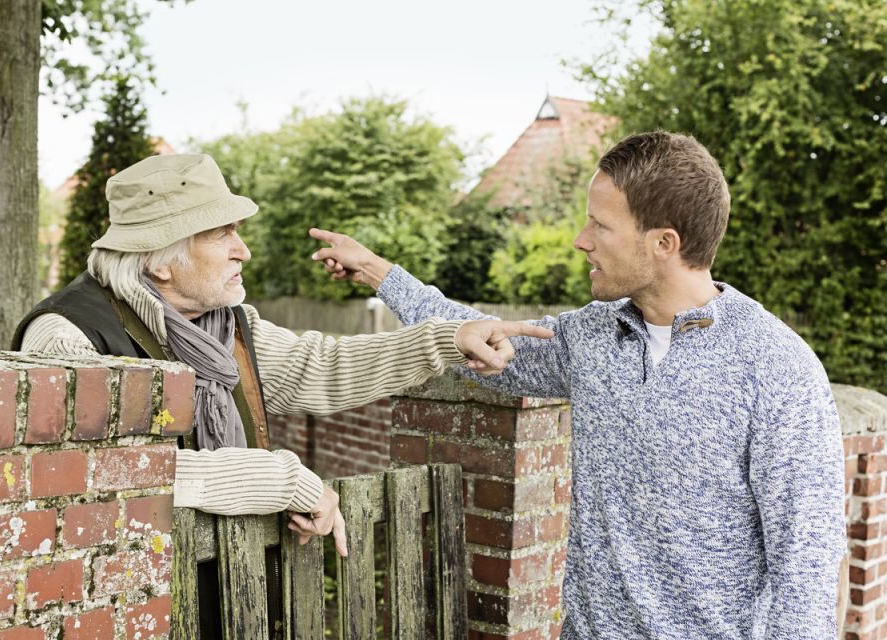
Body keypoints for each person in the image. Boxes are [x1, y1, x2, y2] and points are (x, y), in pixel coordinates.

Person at [310, 131, 846, 638]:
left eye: (600, 226)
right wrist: (380, 273)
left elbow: (807, 568)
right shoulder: (590, 335)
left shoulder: (777, 369)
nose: (579, 241)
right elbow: (481, 336)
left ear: (664, 242)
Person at [12, 153, 553, 633]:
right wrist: (283, 480)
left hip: (228, 590)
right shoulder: (69, 336)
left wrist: (447, 339)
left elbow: (324, 366)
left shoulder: (227, 327)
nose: (242, 250)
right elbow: (95, 471)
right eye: (221, 234)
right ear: (159, 259)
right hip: (117, 603)